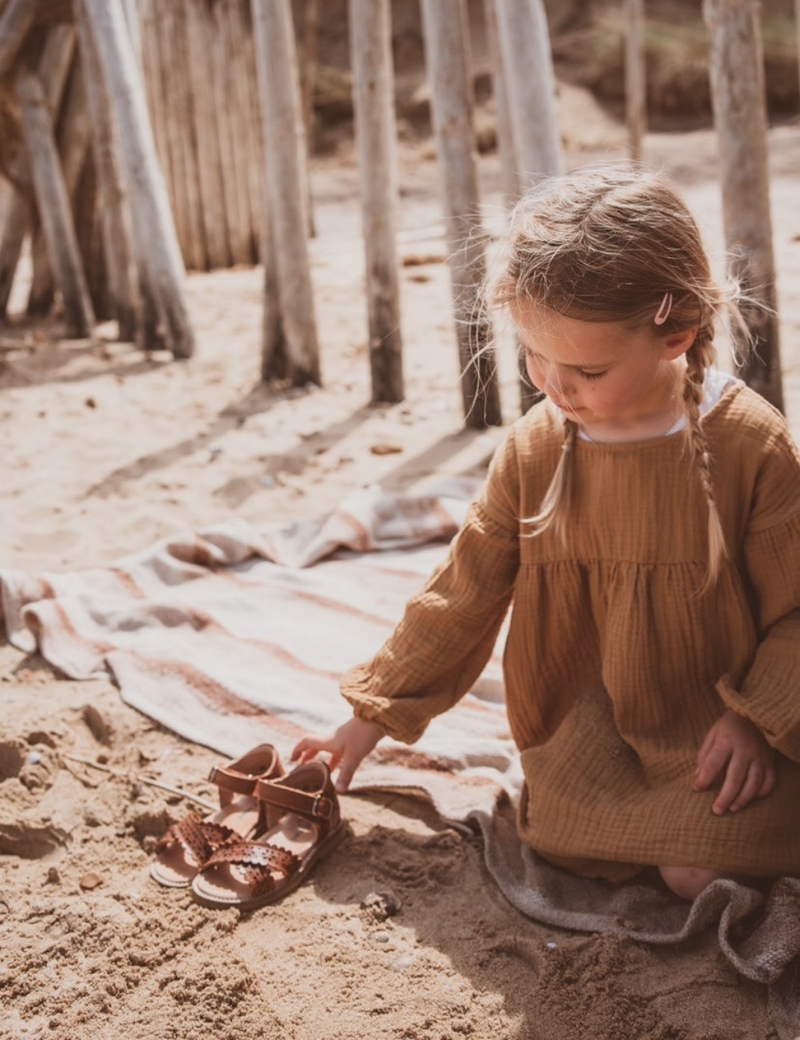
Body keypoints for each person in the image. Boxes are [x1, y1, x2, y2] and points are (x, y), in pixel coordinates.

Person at [292, 165, 800, 901]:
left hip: (719, 722)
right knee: (571, 846)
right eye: (535, 357)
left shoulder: (750, 444)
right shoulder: (537, 446)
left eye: (587, 370)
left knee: (697, 872)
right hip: (588, 733)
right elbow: (460, 594)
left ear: (676, 335)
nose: (554, 388)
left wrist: (757, 719)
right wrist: (366, 721)